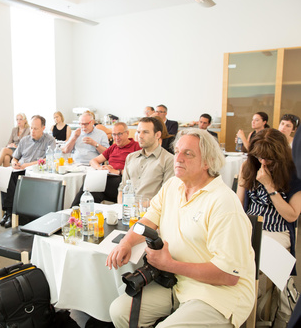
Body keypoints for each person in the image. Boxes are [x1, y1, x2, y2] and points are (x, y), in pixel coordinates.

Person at [107, 128, 255, 328]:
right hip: (178, 283)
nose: (178, 158)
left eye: (188, 153)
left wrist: (169, 265)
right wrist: (126, 242)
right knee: (119, 311)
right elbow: (149, 220)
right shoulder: (173, 185)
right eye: (177, 151)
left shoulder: (223, 203)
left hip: (218, 294)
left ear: (208, 162)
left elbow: (228, 276)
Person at [237, 128, 301, 249]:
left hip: (276, 230)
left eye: (269, 158)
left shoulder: (294, 172)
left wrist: (269, 186)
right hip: (248, 224)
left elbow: (292, 216)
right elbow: (239, 203)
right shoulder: (248, 166)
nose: (263, 162)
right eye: (259, 157)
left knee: (256, 251)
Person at [0, 115, 55, 228]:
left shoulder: (49, 141)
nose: (32, 131)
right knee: (4, 174)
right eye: (31, 128)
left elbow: (49, 159)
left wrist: (27, 165)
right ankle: (10, 212)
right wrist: (14, 162)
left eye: (36, 128)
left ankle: (12, 213)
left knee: (12, 178)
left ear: (43, 128)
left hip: (34, 171)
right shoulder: (25, 140)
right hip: (20, 168)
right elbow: (15, 157)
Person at [70, 122, 140, 206]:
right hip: (108, 180)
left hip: (122, 180)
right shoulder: (113, 147)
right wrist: (100, 168)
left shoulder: (136, 147)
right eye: (114, 134)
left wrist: (117, 171)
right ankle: (74, 214)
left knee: (92, 184)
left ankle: (73, 212)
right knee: (91, 191)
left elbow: (138, 170)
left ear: (127, 133)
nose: (116, 138)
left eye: (120, 134)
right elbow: (93, 161)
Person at [117, 117, 174, 203]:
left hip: (150, 212)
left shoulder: (169, 160)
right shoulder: (130, 157)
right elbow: (122, 187)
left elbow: (166, 196)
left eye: (145, 132)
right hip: (126, 211)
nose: (140, 136)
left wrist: (137, 207)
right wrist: (122, 207)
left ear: (157, 135)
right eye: (139, 132)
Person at [0, 113, 30, 180]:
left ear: (25, 120)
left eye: (21, 119)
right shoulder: (14, 130)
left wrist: (16, 146)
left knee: (4, 150)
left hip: (21, 151)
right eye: (17, 119)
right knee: (6, 157)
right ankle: (7, 179)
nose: (18, 121)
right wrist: (10, 145)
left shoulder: (29, 130)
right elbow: (8, 143)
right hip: (13, 150)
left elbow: (28, 145)